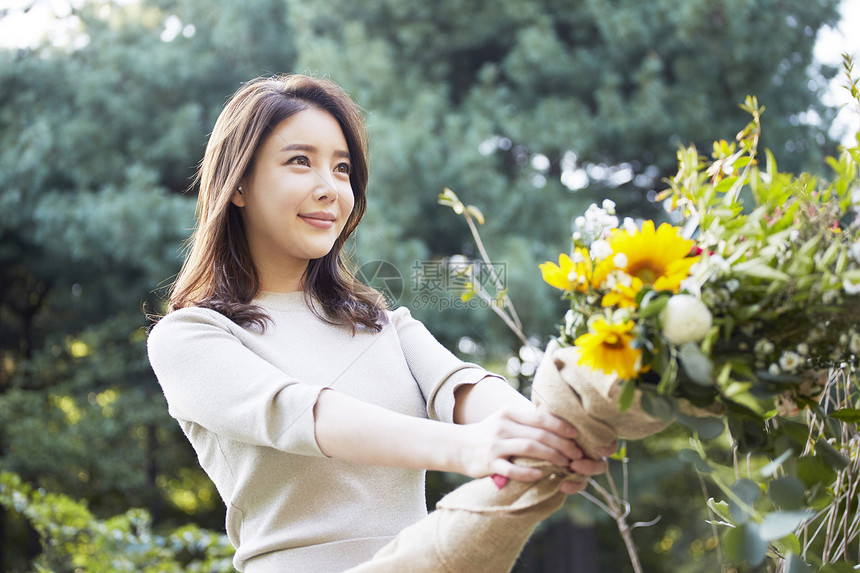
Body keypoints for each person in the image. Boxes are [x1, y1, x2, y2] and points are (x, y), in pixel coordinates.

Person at [147, 74, 611, 573]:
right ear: (238, 183)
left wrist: (539, 435)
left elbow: (462, 387)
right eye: (300, 161)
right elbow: (303, 415)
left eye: (342, 168)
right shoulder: (190, 337)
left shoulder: (383, 324)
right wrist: (471, 449)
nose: (330, 189)